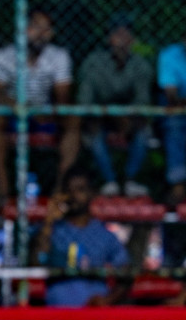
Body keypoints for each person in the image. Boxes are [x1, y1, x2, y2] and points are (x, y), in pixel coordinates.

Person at [0, 8, 73, 191]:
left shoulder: (59, 56)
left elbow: (62, 96)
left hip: (45, 114)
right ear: (23, 29)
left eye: (47, 29)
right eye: (36, 27)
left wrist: (42, 113)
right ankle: (3, 190)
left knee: (73, 120)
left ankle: (61, 190)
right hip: (13, 113)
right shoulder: (3, 56)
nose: (41, 34)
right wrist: (22, 108)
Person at [76, 16, 154, 197]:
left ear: (132, 40)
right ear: (108, 39)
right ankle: (109, 181)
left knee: (143, 129)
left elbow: (142, 100)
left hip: (130, 116)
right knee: (92, 130)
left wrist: (128, 117)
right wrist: (108, 115)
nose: (121, 39)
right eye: (117, 34)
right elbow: (85, 99)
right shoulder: (93, 63)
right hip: (100, 116)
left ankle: (129, 180)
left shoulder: (141, 65)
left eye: (126, 34)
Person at [36, 170, 132, 307]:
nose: (73, 195)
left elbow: (126, 274)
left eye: (80, 190)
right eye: (69, 191)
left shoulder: (104, 234)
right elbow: (37, 261)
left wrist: (108, 300)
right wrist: (48, 221)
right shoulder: (54, 230)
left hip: (94, 316)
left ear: (91, 193)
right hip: (58, 315)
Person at [159, 29, 186, 205]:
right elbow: (171, 96)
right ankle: (178, 183)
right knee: (174, 121)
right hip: (177, 112)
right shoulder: (169, 55)